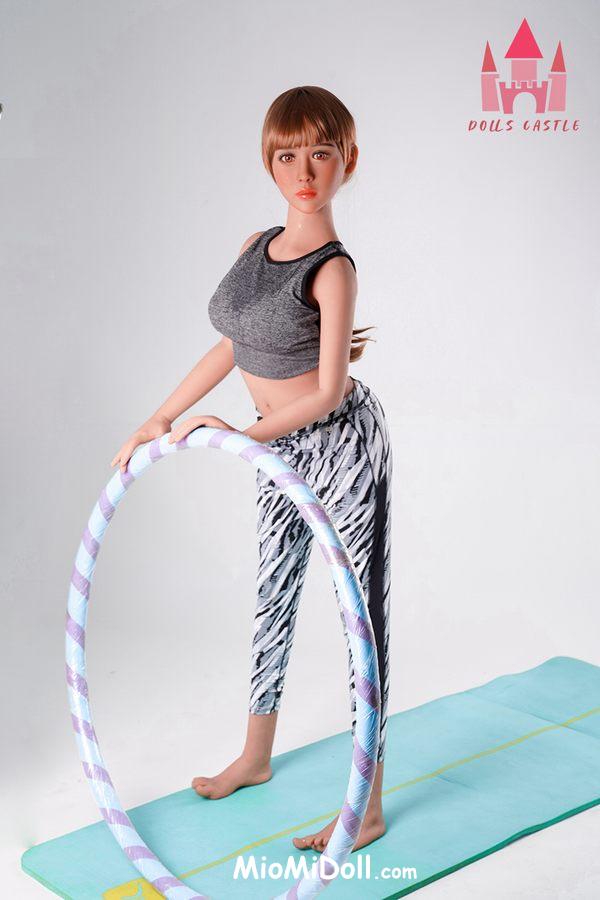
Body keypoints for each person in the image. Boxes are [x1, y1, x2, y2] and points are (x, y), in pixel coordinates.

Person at [110, 85, 393, 854]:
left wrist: (239, 431)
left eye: (321, 154)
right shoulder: (254, 246)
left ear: (348, 161)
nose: (304, 172)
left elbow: (327, 391)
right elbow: (233, 345)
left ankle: (366, 805)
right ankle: (256, 756)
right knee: (272, 590)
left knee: (359, 617)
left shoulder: (333, 270)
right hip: (274, 445)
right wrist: (161, 416)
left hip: (339, 446)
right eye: (288, 156)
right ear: (269, 162)